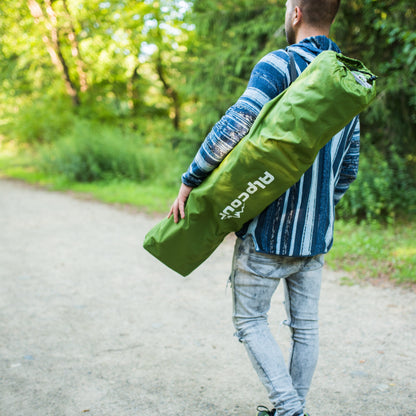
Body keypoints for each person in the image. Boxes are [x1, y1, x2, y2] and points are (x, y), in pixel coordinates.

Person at [168, 0, 359, 415]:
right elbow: (349, 167)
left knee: (250, 321)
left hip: (269, 232)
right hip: (316, 236)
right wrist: (322, 209)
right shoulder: (348, 79)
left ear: (295, 14)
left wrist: (191, 179)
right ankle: (291, 407)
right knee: (305, 330)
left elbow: (235, 126)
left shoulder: (279, 65)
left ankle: (289, 408)